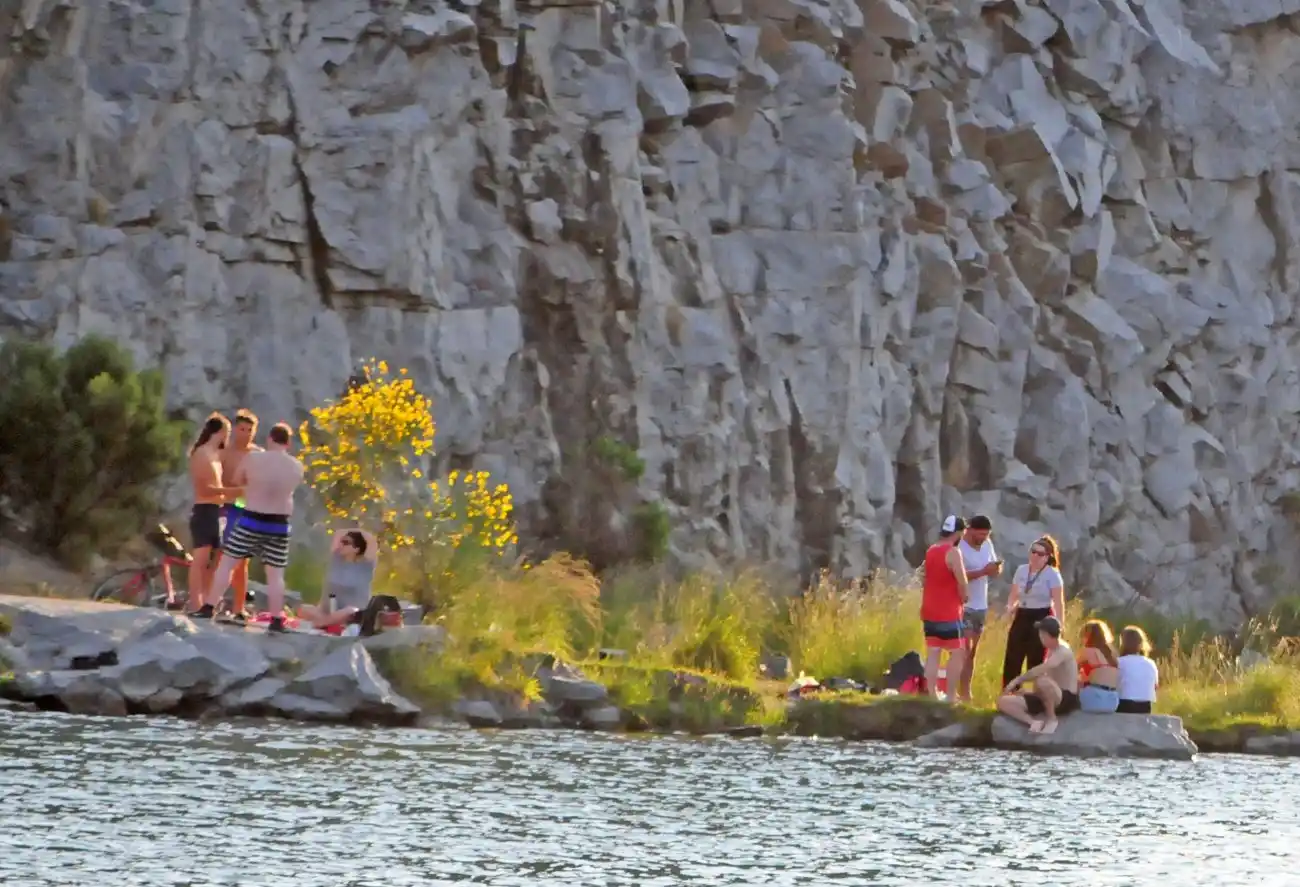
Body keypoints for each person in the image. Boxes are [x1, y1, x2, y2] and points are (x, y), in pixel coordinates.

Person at [198, 423, 305, 633]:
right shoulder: (296, 466)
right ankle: (276, 619)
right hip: (279, 524)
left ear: (269, 439)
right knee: (275, 574)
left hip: (251, 519)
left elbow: (238, 480)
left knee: (228, 563)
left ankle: (209, 606)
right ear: (288, 443)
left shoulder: (254, 458)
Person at [185, 414, 237, 614]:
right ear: (221, 432)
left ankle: (207, 600)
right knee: (200, 558)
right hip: (204, 509)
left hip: (217, 510)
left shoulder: (216, 456)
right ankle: (195, 601)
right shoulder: (202, 453)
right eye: (228, 433)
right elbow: (206, 489)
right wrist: (236, 491)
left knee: (215, 560)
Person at [215, 409, 262, 624]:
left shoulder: (258, 454)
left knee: (242, 562)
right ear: (235, 429)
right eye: (242, 429)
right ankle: (211, 602)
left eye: (250, 430)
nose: (246, 434)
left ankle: (239, 607)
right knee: (220, 556)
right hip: (226, 508)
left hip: (248, 510)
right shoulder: (225, 452)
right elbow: (217, 481)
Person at [1001, 535, 1066, 688]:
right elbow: (1014, 594)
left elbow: (1058, 602)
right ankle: (1010, 691)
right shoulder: (1022, 570)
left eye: (1040, 554)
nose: (1035, 556)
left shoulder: (1052, 574)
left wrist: (1060, 625)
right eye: (1033, 552)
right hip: (1023, 613)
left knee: (1036, 658)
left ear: (1047, 557)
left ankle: (1037, 695)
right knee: (1013, 655)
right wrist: (1010, 607)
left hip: (1042, 614)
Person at [997, 615, 1080, 734]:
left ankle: (1052, 719)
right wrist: (1030, 692)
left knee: (1042, 681)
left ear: (1046, 635)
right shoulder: (1051, 650)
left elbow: (1043, 669)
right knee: (1003, 701)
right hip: (1047, 697)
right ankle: (1033, 722)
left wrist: (1017, 680)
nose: (1040, 637)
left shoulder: (1063, 651)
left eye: (1041, 634)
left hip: (1064, 697)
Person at [920, 515, 970, 700]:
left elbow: (926, 577)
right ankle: (950, 695)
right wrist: (964, 597)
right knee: (957, 652)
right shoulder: (953, 552)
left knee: (933, 651)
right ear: (958, 533)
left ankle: (932, 693)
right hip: (948, 611)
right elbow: (962, 580)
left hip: (929, 608)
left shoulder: (931, 550)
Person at [956, 514, 1002, 701]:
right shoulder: (959, 547)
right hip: (964, 604)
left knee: (973, 653)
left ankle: (966, 692)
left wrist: (995, 570)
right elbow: (957, 575)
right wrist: (982, 572)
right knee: (964, 650)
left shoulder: (987, 545)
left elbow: (991, 567)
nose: (983, 538)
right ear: (970, 530)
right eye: (980, 534)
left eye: (986, 535)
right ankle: (957, 691)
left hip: (980, 605)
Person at [298, 529, 379, 631]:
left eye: (346, 543)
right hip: (327, 611)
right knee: (304, 608)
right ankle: (329, 623)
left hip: (351, 615)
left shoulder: (365, 567)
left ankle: (323, 623)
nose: (341, 545)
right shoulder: (336, 561)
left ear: (357, 549)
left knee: (351, 611)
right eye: (341, 542)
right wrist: (347, 533)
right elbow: (338, 533)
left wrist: (357, 531)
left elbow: (371, 540)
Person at [1077, 619, 1120, 713]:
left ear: (1087, 636)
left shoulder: (1087, 651)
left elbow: (1072, 671)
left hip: (1095, 697)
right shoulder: (1113, 653)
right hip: (1113, 700)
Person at [1117, 625, 1159, 714]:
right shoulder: (1151, 663)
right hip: (1145, 704)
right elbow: (1155, 686)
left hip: (1124, 703)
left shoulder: (1119, 662)